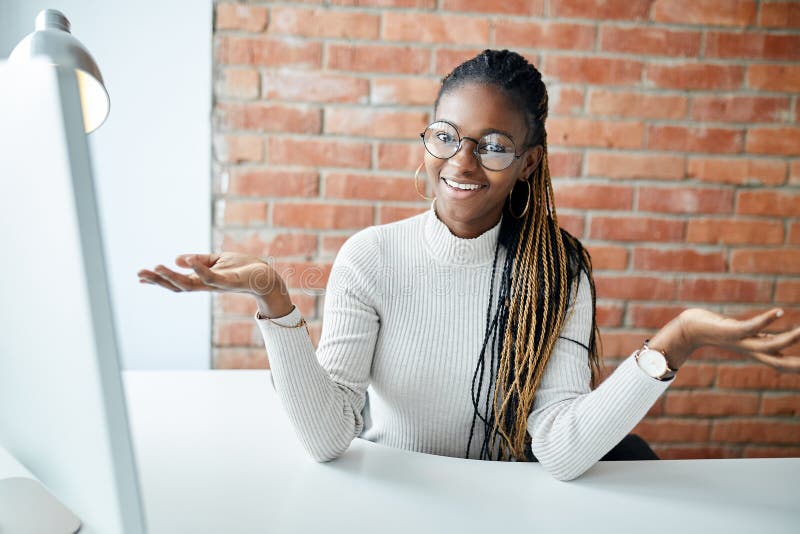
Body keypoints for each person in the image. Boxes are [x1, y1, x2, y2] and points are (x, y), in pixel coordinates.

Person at [138, 50, 800, 481]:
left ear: (528, 164)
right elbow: (328, 436)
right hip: (395, 507)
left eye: (492, 145)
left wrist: (674, 340)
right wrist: (274, 300)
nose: (461, 161)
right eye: (446, 136)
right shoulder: (370, 258)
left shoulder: (558, 271)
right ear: (428, 138)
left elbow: (563, 449)